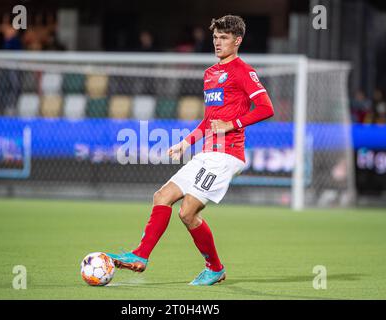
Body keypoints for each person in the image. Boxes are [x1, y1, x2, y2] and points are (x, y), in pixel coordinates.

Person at [107, 15, 274, 285]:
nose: (218, 43)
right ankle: (140, 256)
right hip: (207, 152)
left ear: (237, 40)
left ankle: (215, 268)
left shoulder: (244, 71)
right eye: (215, 38)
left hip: (226, 155)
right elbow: (209, 120)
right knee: (162, 196)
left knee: (186, 212)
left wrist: (233, 123)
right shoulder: (209, 74)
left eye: (224, 38)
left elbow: (267, 108)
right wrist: (187, 142)